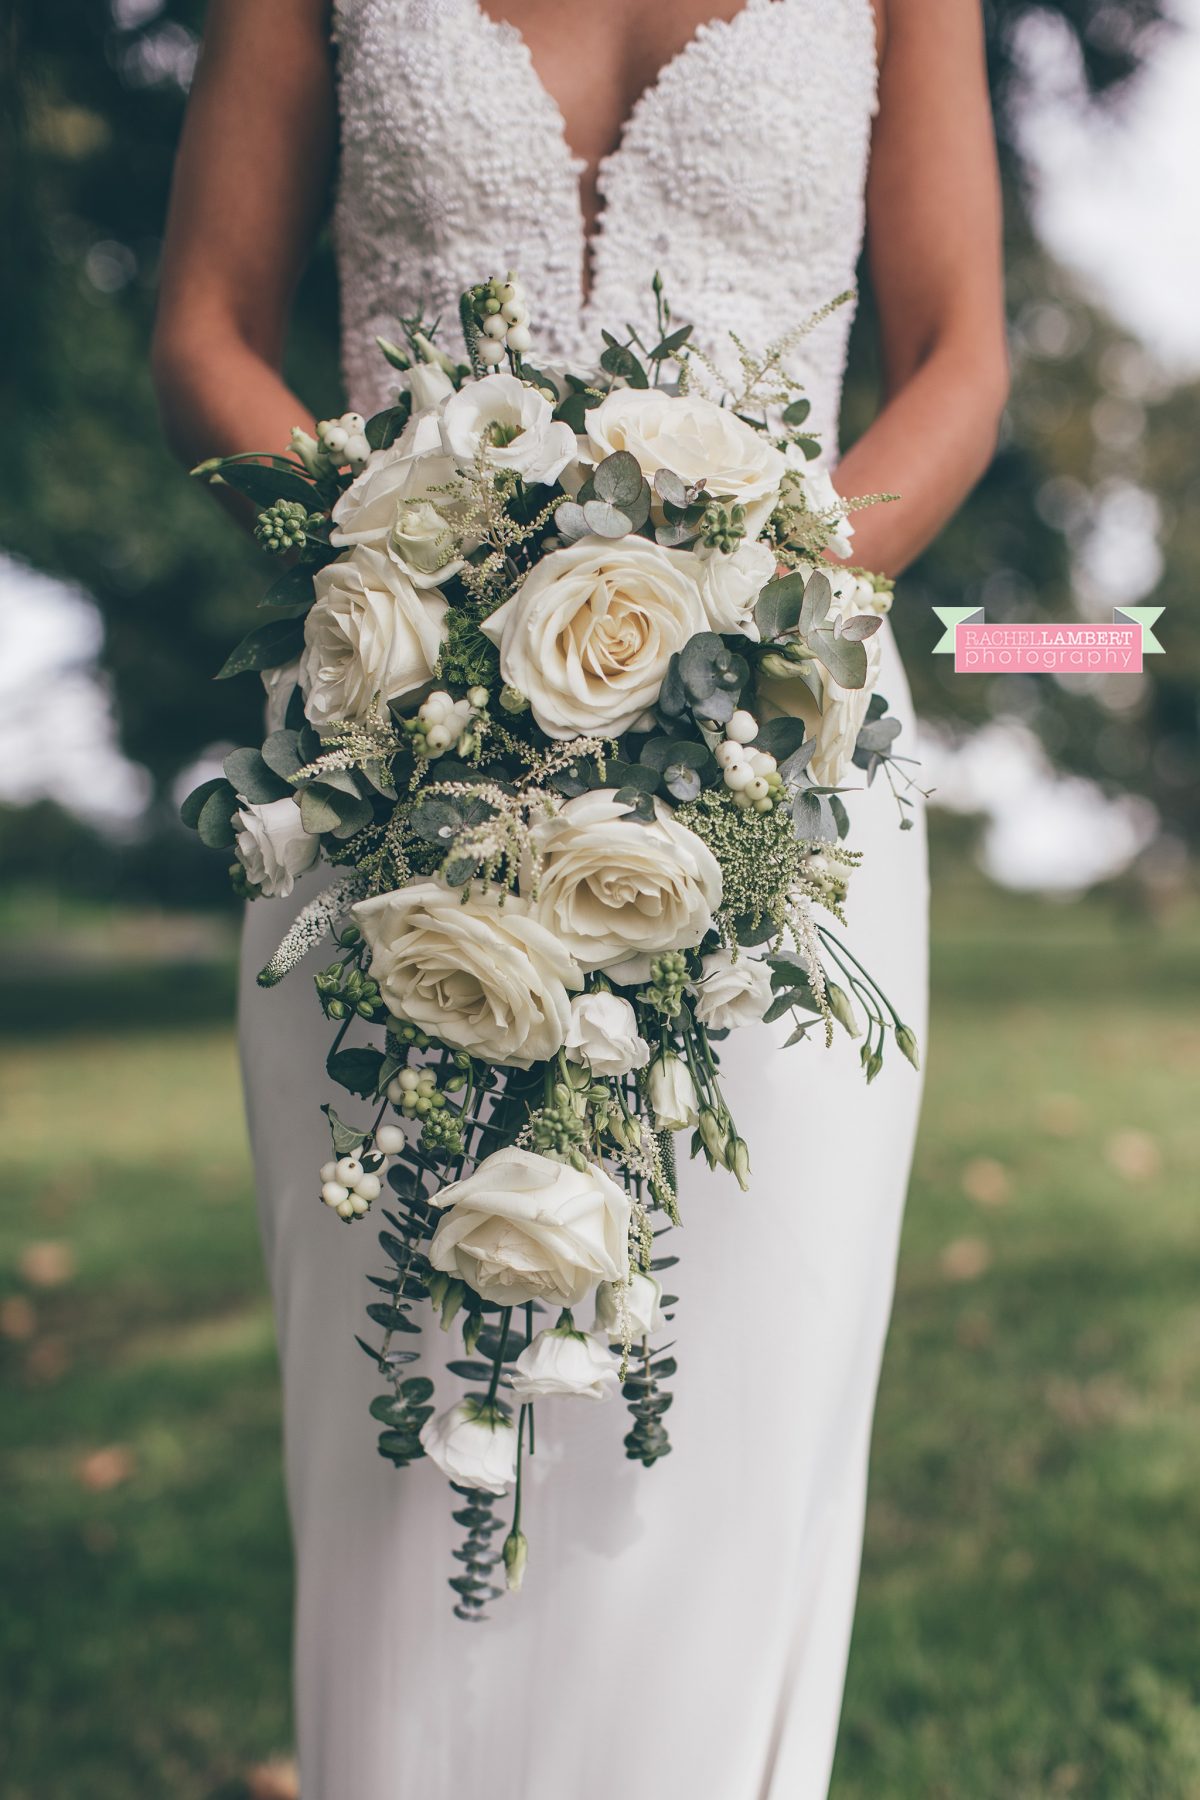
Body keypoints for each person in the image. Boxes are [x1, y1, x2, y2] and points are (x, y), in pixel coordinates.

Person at [153, 4, 1007, 1795]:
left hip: (792, 768)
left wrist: (737, 612)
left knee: (727, 1442)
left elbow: (959, 361)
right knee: (401, 1445)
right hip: (393, 758)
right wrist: (419, 571)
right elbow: (206, 337)